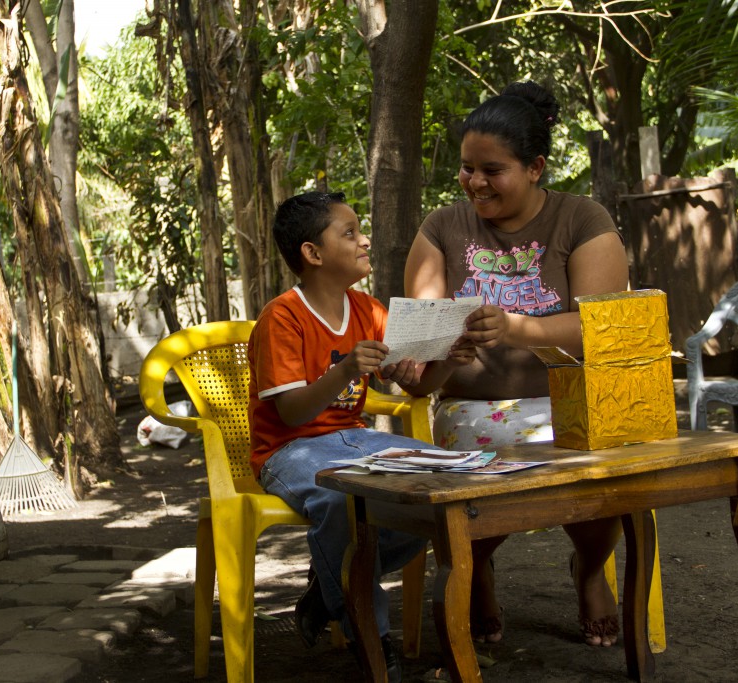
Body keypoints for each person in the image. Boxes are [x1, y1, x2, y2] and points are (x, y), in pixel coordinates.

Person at [403, 81, 630, 648]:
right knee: (475, 462)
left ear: (535, 167)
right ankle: (475, 568)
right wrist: (419, 355)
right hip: (473, 406)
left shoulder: (582, 219)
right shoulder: (441, 228)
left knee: (604, 459)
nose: (475, 183)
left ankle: (590, 566)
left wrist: (514, 327)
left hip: (570, 398)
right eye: (466, 169)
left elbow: (602, 328)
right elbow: (421, 337)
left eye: (492, 170)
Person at [250, 191, 476, 680]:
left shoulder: (367, 309)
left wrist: (448, 362)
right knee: (340, 504)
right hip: (290, 451)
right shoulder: (281, 318)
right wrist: (347, 367)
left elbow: (415, 386)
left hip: (357, 439)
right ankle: (374, 647)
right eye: (349, 233)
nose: (363, 239)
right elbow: (290, 413)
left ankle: (329, 584)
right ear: (312, 253)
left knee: (452, 481)